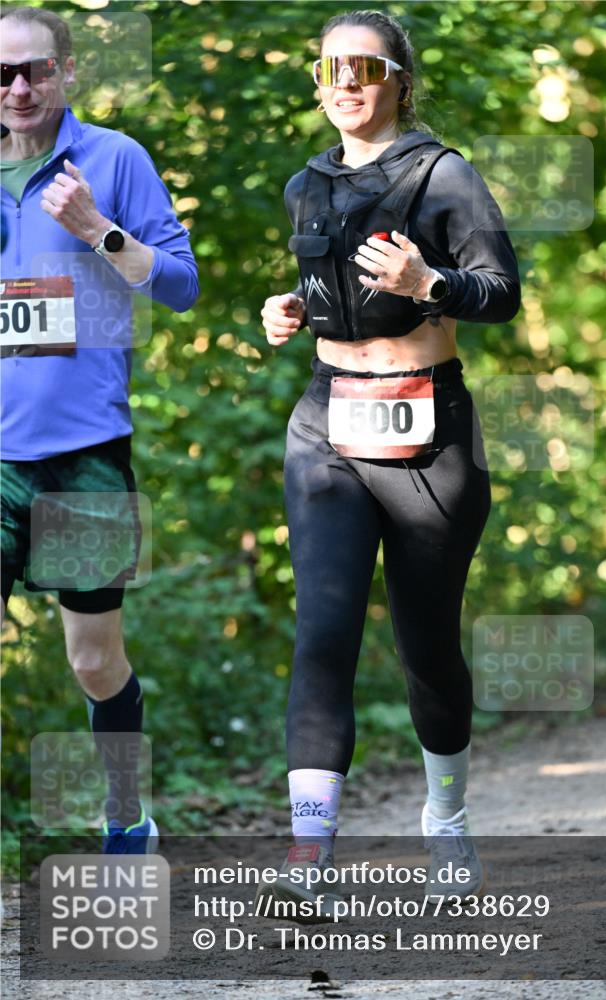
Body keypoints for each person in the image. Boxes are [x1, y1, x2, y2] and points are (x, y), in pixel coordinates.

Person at [258, 9, 520, 911]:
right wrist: (291, 309)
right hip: (327, 425)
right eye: (328, 67)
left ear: (399, 81)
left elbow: (501, 293)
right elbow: (329, 286)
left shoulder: (444, 175)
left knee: (425, 648)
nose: (344, 82)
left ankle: (446, 823)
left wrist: (430, 283)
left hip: (427, 433)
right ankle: (309, 856)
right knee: (322, 635)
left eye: (364, 68)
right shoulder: (306, 184)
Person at [0, 7, 198, 852]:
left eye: (35, 70)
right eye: (2, 74)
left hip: (83, 454)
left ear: (68, 72)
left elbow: (181, 284)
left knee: (92, 660)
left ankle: (126, 816)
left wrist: (97, 229)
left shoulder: (114, 159)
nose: (18, 88)